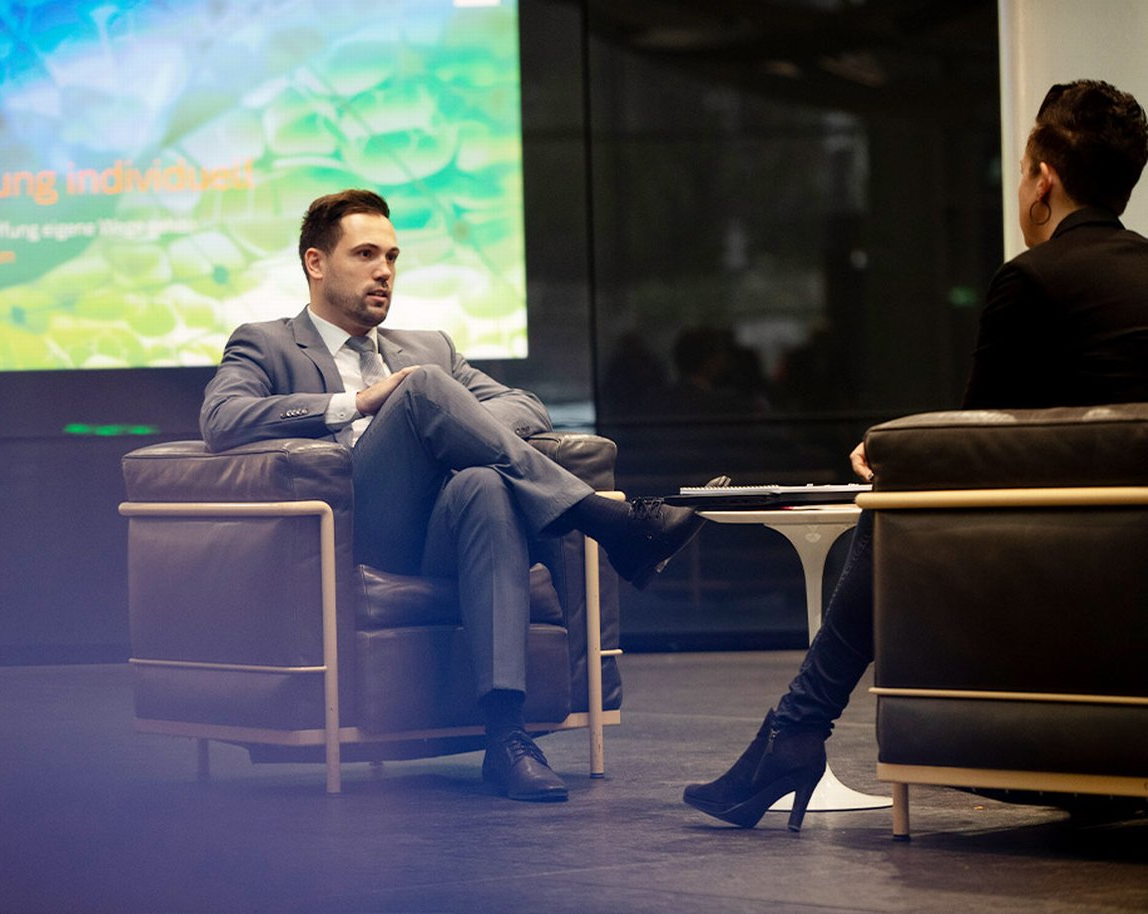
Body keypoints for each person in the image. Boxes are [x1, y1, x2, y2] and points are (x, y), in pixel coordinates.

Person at [683, 79, 1148, 830]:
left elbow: (976, 444)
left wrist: (897, 456)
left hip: (1058, 574)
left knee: (892, 509)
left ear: (1044, 182)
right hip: (1123, 571)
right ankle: (792, 734)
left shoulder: (1031, 279)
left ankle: (794, 733)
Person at [200, 188, 707, 802]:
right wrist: (360, 403)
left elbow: (526, 406)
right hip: (356, 530)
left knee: (482, 482)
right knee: (419, 392)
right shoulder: (267, 342)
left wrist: (460, 429)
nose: (384, 270)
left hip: (443, 528)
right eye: (365, 254)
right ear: (315, 262)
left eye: (391, 256)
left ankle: (506, 738)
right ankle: (606, 520)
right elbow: (223, 418)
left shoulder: (428, 347)